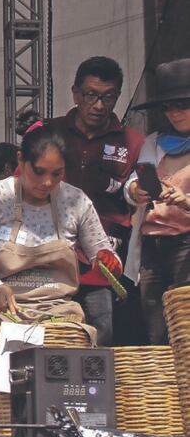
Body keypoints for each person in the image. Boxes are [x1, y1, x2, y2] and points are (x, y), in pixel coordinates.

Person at [0, 118, 119, 333]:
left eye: (57, 173)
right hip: (0, 313)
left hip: (60, 316)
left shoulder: (76, 201)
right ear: (21, 160)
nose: (47, 182)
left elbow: (102, 253)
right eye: (39, 172)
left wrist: (108, 260)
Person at [45, 57, 143, 346]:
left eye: (108, 97)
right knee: (52, 341)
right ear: (75, 93)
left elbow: (137, 195)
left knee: (101, 343)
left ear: (118, 96)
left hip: (103, 267)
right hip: (50, 261)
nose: (99, 105)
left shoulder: (133, 142)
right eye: (91, 95)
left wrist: (139, 192)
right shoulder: (49, 132)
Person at [124, 59, 190, 344]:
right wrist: (135, 190)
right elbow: (134, 180)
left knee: (185, 327)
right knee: (157, 331)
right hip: (151, 246)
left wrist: (185, 201)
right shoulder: (155, 141)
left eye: (182, 105)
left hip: (186, 245)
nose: (174, 113)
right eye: (168, 107)